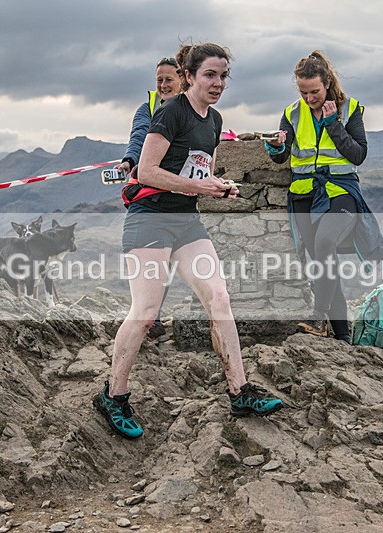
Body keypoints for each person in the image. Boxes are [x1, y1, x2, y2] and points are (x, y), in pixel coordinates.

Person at [93, 42, 284, 439]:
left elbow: (199, 174)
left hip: (185, 221)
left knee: (220, 299)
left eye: (223, 76)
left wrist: (219, 186)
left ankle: (240, 390)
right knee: (145, 312)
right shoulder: (170, 112)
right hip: (149, 221)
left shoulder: (213, 120)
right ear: (190, 76)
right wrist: (201, 187)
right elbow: (145, 171)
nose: (218, 83)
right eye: (210, 75)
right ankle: (114, 396)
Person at [265, 51, 383, 343]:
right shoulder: (292, 112)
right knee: (322, 261)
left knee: (324, 243)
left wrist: (333, 123)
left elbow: (358, 154)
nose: (309, 98)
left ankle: (319, 319)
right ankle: (342, 336)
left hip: (340, 192)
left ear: (327, 83)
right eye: (303, 92)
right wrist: (276, 146)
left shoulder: (351, 109)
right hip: (304, 195)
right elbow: (283, 158)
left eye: (315, 92)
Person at [115, 57, 183, 340]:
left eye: (169, 79)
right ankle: (149, 318)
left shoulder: (193, 108)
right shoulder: (148, 108)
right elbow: (139, 134)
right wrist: (130, 160)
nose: (164, 85)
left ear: (184, 79)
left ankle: (151, 316)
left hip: (181, 194)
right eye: (159, 79)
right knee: (154, 260)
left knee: (167, 261)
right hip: (150, 194)